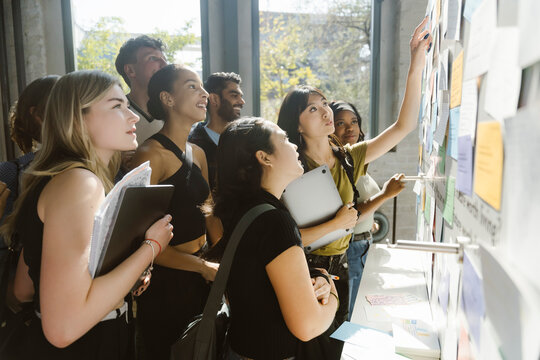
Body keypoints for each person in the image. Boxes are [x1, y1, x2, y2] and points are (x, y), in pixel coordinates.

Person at [276, 16, 431, 350]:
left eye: (324, 105)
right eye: (313, 109)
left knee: (338, 348)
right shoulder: (289, 167)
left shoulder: (349, 156)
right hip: (306, 275)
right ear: (297, 125)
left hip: (341, 269)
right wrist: (337, 223)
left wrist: (416, 61)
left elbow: (402, 127)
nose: (326, 113)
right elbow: (281, 240)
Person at [0, 70, 173, 359]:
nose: (134, 117)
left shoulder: (58, 179)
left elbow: (22, 290)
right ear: (76, 119)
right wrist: (151, 248)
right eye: (117, 106)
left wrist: (123, 275)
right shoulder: (80, 184)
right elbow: (63, 329)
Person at [204, 117, 339, 360]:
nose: (295, 146)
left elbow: (258, 290)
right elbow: (308, 327)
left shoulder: (237, 212)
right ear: (264, 157)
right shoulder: (274, 221)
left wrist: (316, 277)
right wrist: (334, 292)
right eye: (285, 140)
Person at [131, 64, 221, 359]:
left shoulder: (199, 153)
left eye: (202, 87)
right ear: (168, 99)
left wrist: (222, 259)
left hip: (203, 274)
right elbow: (139, 240)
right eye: (192, 86)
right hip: (168, 284)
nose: (204, 93)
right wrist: (201, 268)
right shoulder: (149, 155)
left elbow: (209, 217)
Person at [331, 100, 405, 318]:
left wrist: (369, 221)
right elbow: (348, 216)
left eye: (353, 121)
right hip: (351, 250)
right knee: (353, 315)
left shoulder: (354, 161)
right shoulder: (335, 166)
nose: (350, 128)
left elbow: (359, 206)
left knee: (361, 311)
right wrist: (384, 195)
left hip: (362, 244)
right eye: (341, 123)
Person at [188, 72, 245, 189]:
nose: (241, 101)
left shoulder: (246, 141)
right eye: (234, 96)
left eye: (241, 96)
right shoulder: (192, 146)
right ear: (214, 99)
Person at [115, 35, 167, 144]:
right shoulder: (115, 115)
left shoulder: (173, 111)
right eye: (152, 58)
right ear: (130, 70)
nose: (164, 64)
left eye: (165, 59)